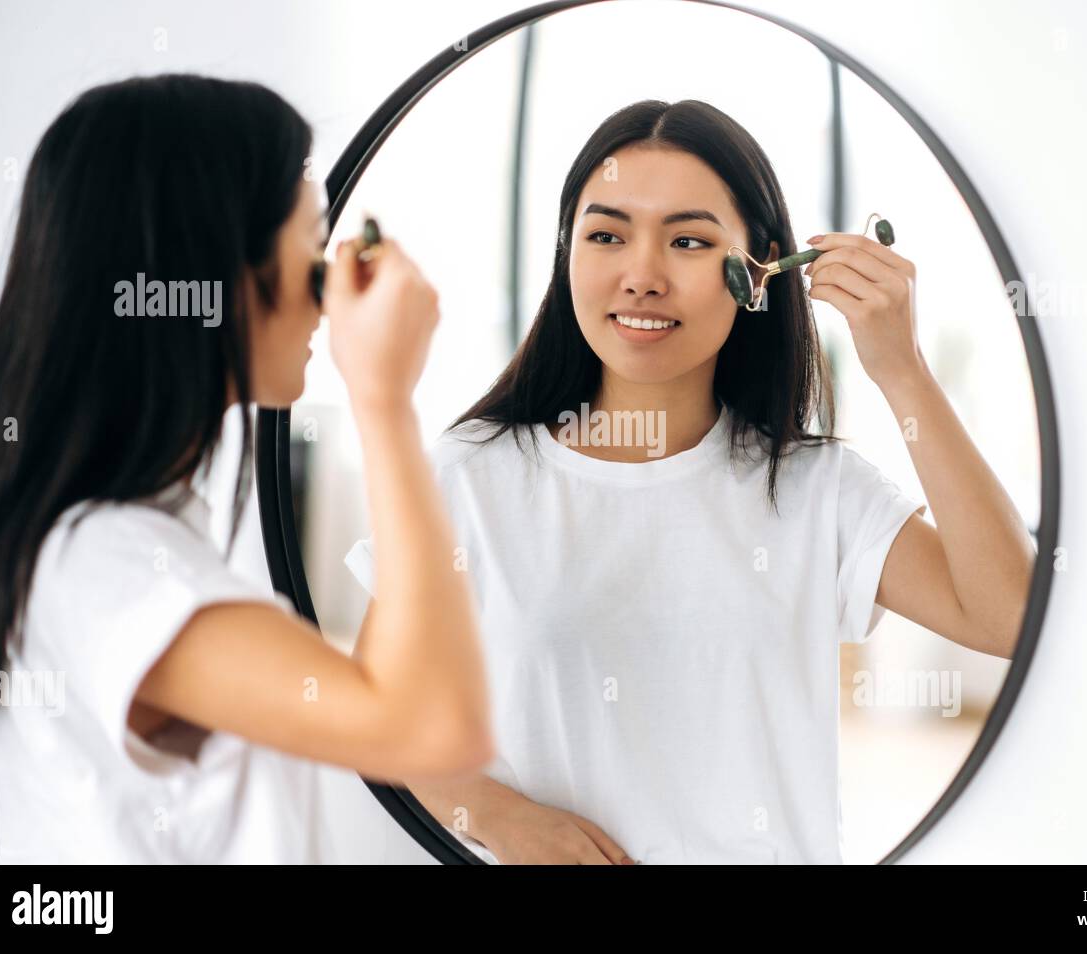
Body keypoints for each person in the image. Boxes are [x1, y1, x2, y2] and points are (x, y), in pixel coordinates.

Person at [345, 99, 1037, 865]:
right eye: (606, 235)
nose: (641, 276)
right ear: (566, 253)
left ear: (759, 270)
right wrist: (499, 815)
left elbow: (1011, 617)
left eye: (688, 241)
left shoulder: (814, 488)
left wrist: (900, 369)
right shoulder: (472, 475)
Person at [0, 74, 493, 863]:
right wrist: (384, 398)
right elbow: (434, 728)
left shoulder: (116, 545)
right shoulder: (102, 566)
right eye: (313, 252)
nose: (325, 297)